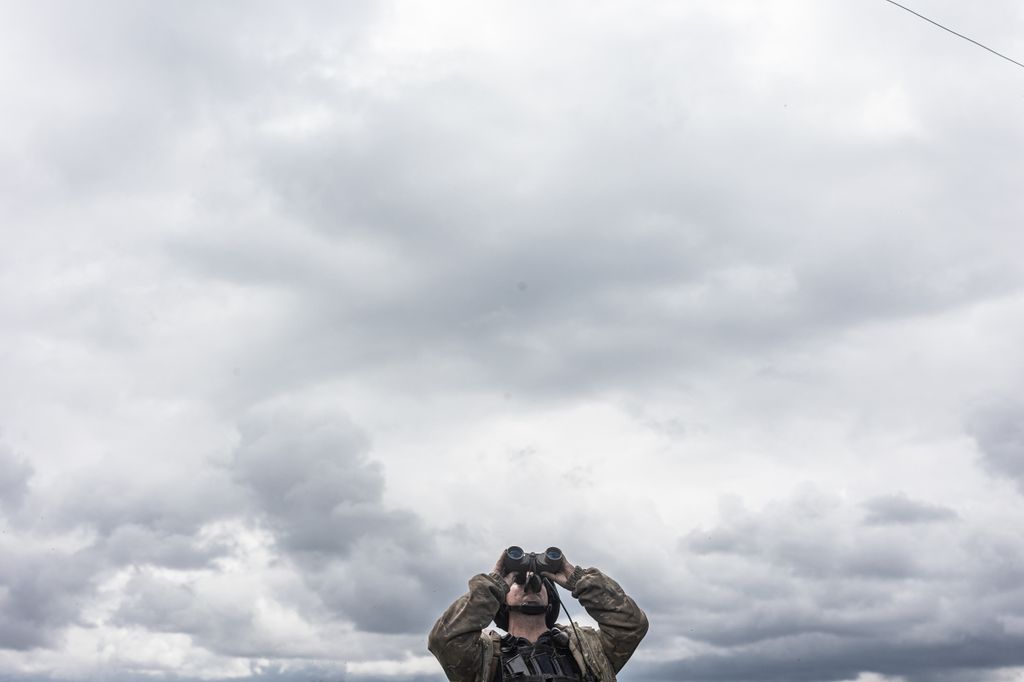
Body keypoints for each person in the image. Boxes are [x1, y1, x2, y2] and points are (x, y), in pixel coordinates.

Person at [428, 549, 648, 682]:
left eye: (540, 583)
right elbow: (444, 639)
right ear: (502, 599)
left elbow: (631, 625)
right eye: (519, 582)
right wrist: (494, 583)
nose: (530, 585)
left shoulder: (587, 649)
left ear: (550, 598)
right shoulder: (484, 657)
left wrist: (577, 579)